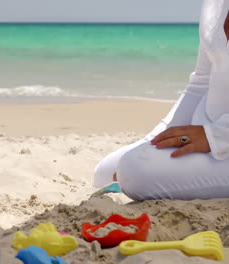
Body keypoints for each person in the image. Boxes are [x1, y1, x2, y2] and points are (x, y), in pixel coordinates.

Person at [94, 0, 229, 201]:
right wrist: (153, 140)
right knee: (106, 172)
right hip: (207, 132)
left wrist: (215, 136)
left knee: (134, 173)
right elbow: (200, 83)